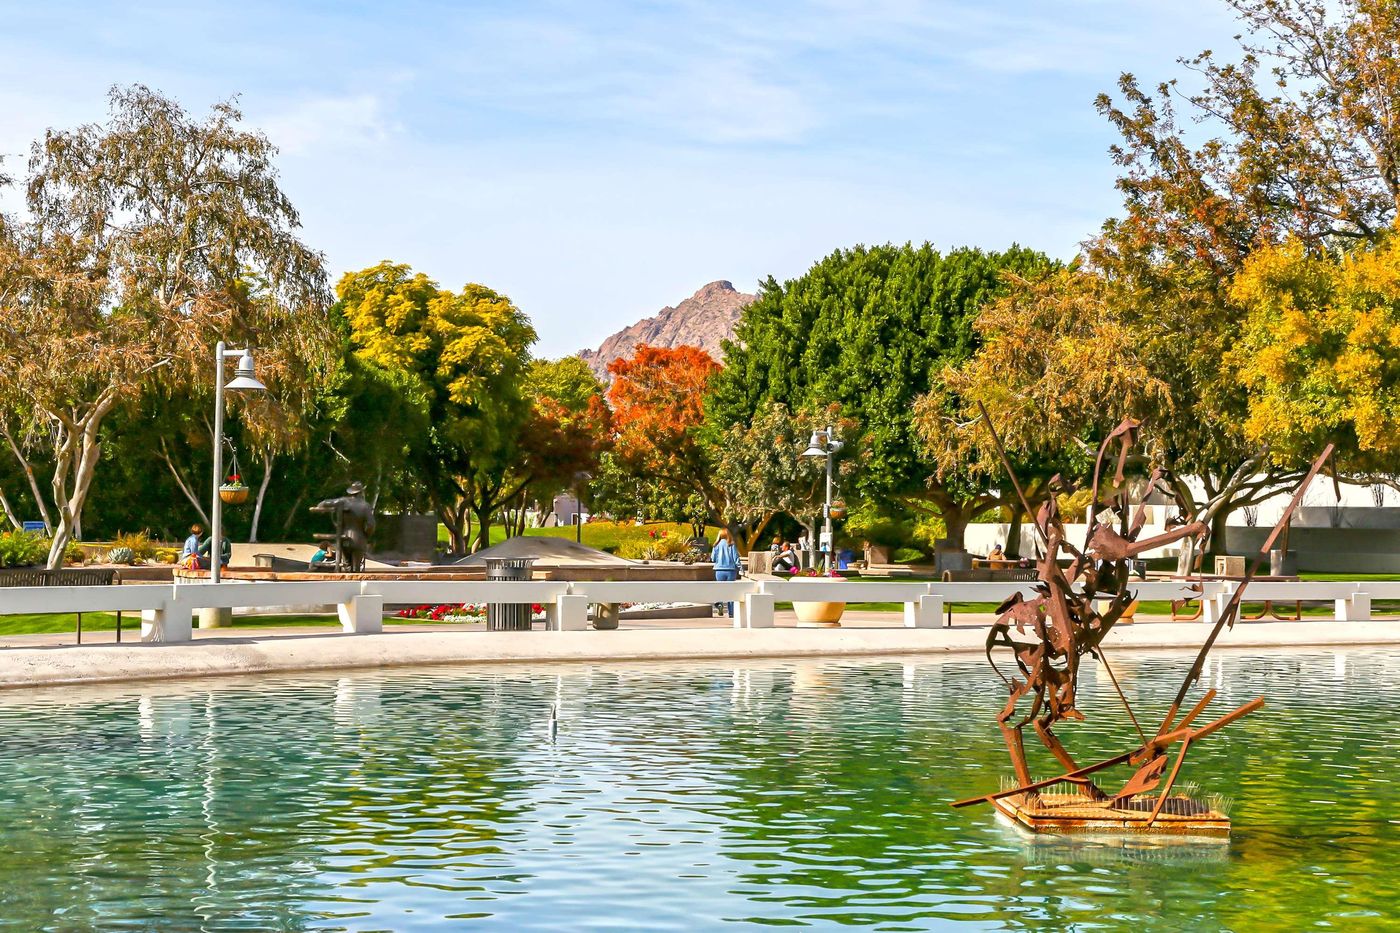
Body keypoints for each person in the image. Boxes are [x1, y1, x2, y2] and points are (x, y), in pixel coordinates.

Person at [711, 529, 741, 617]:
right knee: (730, 591)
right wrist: (741, 568)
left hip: (719, 570)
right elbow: (736, 558)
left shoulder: (716, 545)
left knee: (720, 589)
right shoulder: (731, 545)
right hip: (730, 570)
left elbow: (713, 558)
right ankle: (731, 612)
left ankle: (719, 604)